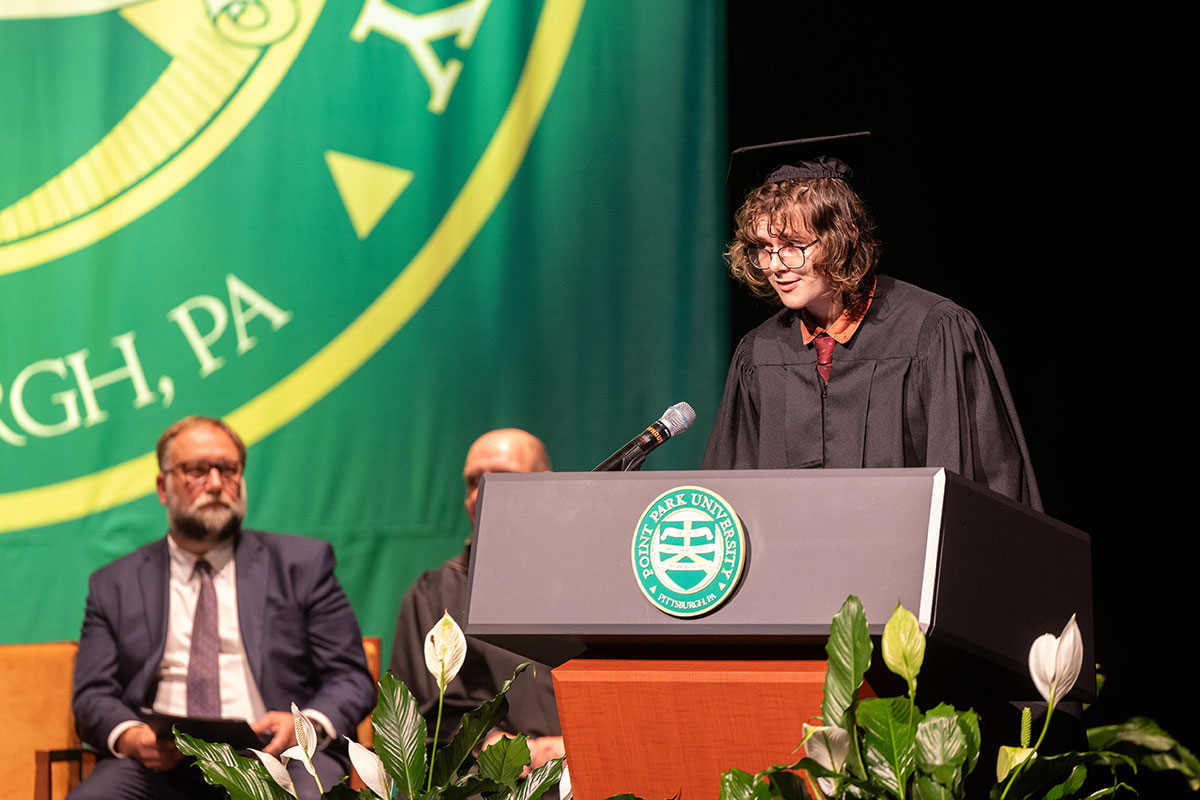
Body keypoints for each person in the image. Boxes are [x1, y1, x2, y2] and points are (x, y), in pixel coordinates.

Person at [703, 132, 1041, 509]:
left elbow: (981, 493)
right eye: (765, 250)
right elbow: (729, 503)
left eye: (794, 247)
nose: (777, 266)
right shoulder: (759, 354)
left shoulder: (932, 333)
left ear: (843, 236)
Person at [70, 415, 376, 800]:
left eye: (228, 470)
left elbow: (350, 677)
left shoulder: (302, 565)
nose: (216, 483)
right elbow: (92, 693)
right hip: (159, 765)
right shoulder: (114, 583)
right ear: (163, 487)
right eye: (196, 470)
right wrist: (132, 737)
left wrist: (304, 726)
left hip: (278, 757)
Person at [388, 428, 564, 772]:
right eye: (472, 482)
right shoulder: (436, 593)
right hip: (485, 775)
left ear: (547, 484)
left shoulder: (592, 583)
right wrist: (490, 742)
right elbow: (427, 710)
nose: (481, 493)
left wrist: (574, 744)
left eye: (502, 477)